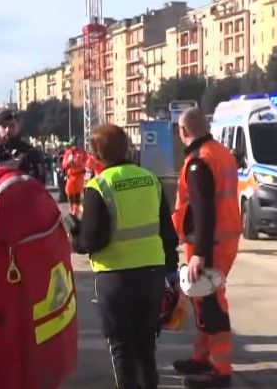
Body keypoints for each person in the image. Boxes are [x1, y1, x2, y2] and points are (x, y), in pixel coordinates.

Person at [72, 124, 180, 389]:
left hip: (116, 277)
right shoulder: (150, 179)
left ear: (97, 156)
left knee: (122, 348)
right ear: (127, 148)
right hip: (152, 276)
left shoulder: (99, 186)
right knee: (146, 348)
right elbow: (168, 231)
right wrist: (172, 272)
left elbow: (92, 240)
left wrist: (75, 238)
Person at [171, 108, 242, 389]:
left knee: (211, 303)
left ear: (184, 131)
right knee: (202, 299)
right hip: (221, 238)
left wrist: (199, 252)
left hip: (208, 242)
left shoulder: (199, 162)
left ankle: (220, 370)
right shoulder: (220, 152)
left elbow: (203, 210)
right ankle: (202, 358)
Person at [0, 109, 46, 179]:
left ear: (18, 127)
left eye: (12, 125)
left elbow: (38, 183)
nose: (8, 130)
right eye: (4, 126)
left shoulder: (30, 153)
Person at [62, 144, 89, 216]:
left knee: (77, 194)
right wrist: (68, 162)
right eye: (73, 145)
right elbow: (64, 164)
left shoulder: (82, 152)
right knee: (69, 193)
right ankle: (71, 209)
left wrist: (78, 164)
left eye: (75, 144)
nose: (74, 147)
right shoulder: (68, 153)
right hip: (70, 176)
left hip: (79, 176)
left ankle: (75, 211)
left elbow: (87, 162)